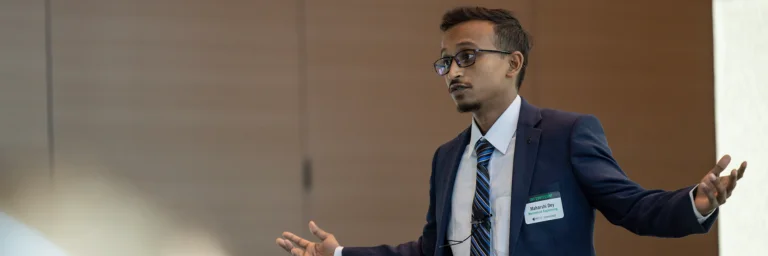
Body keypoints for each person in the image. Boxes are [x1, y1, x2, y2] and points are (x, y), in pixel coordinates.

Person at [275, 6, 749, 256]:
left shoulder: (567, 136)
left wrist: (697, 201)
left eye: (466, 56)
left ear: (513, 63)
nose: (453, 72)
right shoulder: (447, 158)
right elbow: (429, 250)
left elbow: (634, 208)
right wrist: (340, 254)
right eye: (445, 62)